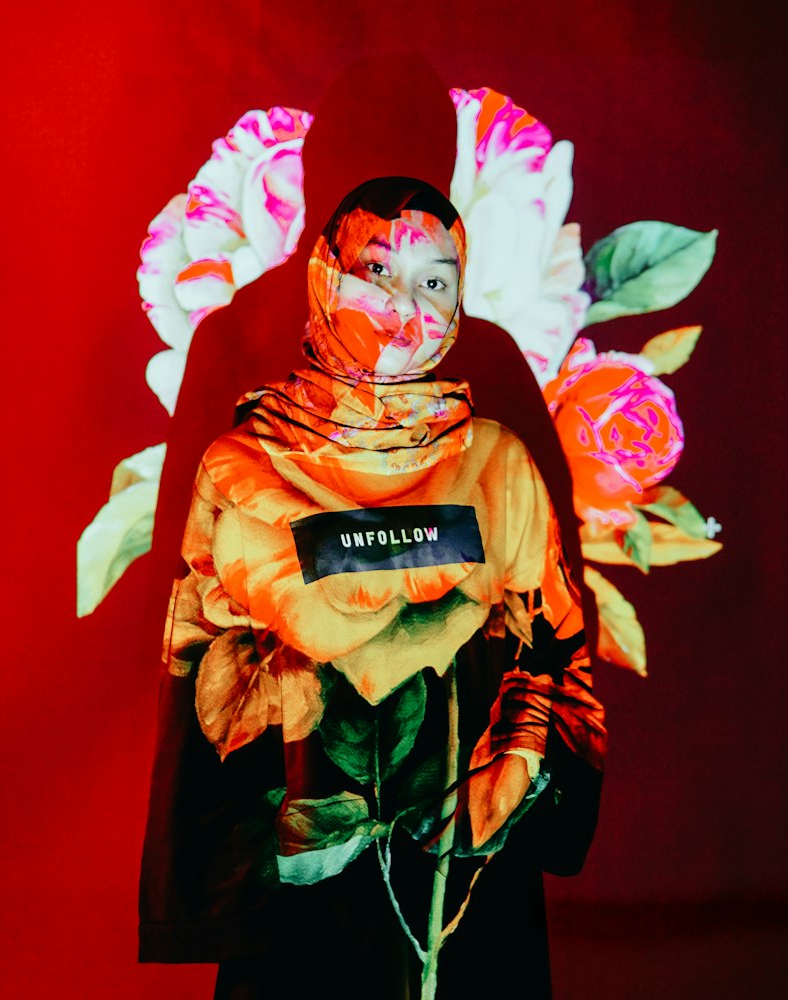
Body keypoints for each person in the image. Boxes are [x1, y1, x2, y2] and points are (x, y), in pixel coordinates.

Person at [139, 177, 607, 999]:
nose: (403, 307)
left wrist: (513, 768)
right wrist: (233, 868)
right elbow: (202, 682)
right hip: (302, 878)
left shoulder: (498, 464)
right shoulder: (242, 465)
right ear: (326, 278)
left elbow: (557, 646)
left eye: (435, 281)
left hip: (458, 888)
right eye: (378, 271)